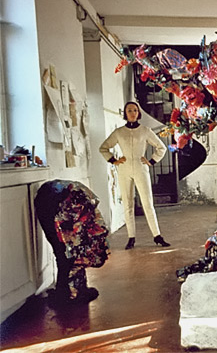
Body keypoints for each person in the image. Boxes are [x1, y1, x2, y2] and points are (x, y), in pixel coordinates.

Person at [99, 101, 170, 249]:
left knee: (147, 203)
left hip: (140, 167)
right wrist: (114, 161)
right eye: (129, 110)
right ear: (125, 114)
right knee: (128, 204)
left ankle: (157, 236)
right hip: (124, 169)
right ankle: (131, 237)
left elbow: (161, 148)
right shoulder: (119, 132)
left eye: (135, 110)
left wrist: (151, 161)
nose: (132, 113)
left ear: (138, 113)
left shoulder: (145, 131)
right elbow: (104, 148)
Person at [35, 180, 110, 305]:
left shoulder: (91, 223)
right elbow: (75, 250)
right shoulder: (87, 227)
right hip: (60, 203)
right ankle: (69, 294)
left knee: (64, 251)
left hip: (52, 198)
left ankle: (68, 291)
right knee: (67, 251)